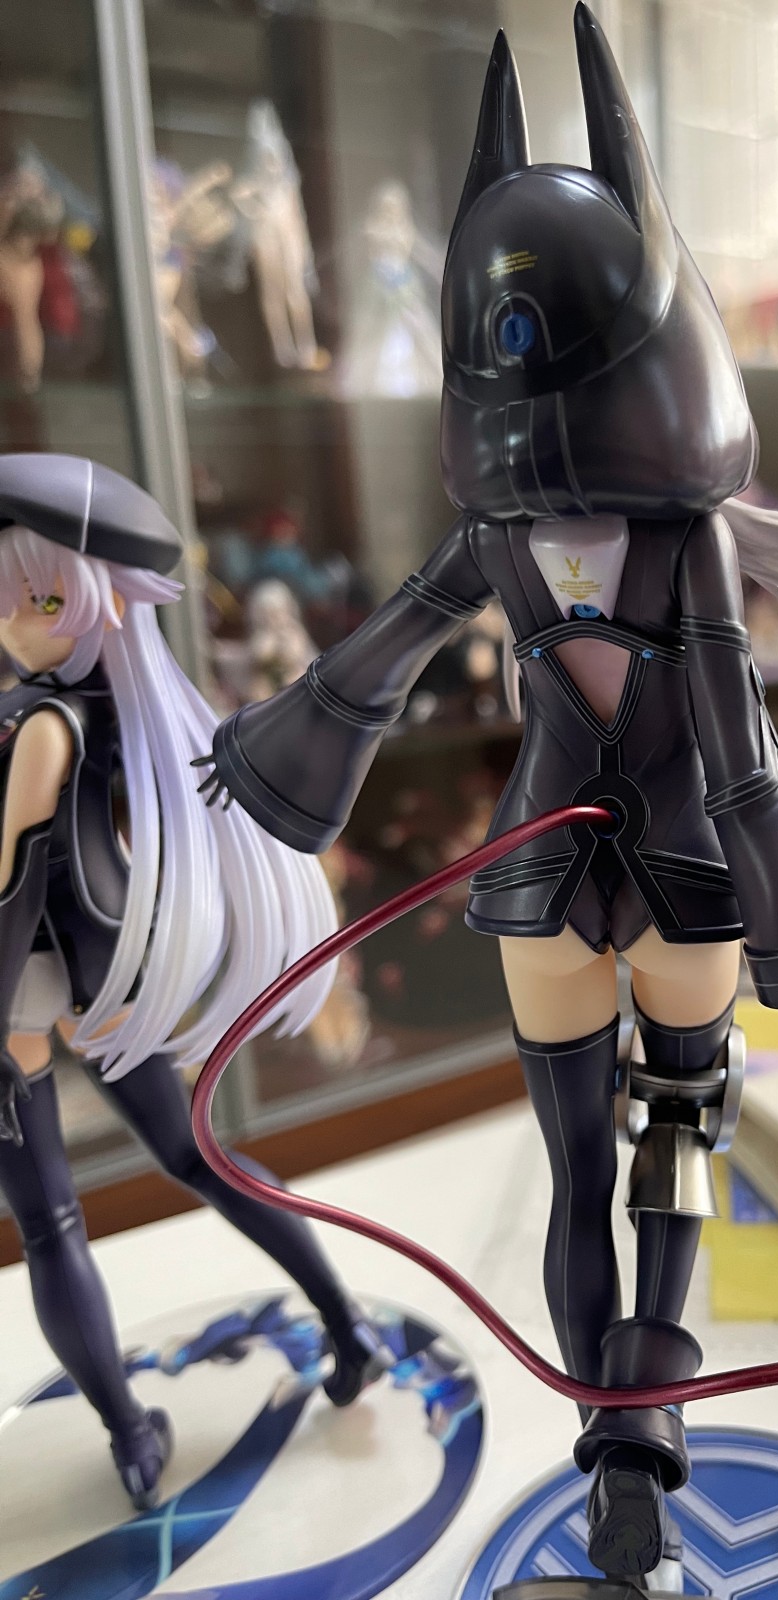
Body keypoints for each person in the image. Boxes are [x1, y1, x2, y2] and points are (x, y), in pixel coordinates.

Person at [201, 8, 778, 1584]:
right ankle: (634, 1439)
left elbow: (375, 665)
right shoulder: (671, 541)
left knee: (594, 1164)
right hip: (677, 887)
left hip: (548, 889)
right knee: (671, 1147)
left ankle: (616, 1442)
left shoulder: (514, 538)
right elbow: (732, 753)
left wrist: (264, 763)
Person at [0, 453, 387, 1512]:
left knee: (59, 1220)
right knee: (192, 1160)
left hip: (38, 980)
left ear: (94, 604)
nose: (14, 619)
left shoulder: (46, 725)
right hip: (96, 965)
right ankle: (345, 1325)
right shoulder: (81, 706)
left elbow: (11, 890)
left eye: (39, 599)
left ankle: (134, 1432)